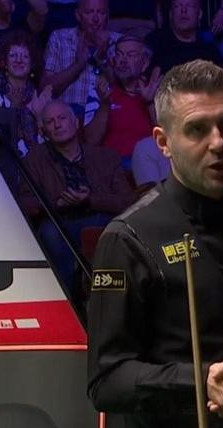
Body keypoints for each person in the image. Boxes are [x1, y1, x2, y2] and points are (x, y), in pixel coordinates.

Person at [87, 60, 223, 428]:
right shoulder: (127, 237)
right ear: (163, 142)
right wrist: (201, 381)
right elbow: (107, 380)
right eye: (197, 129)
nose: (218, 143)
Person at [18, 100, 135, 305]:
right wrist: (56, 203)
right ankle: (66, 303)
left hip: (99, 217)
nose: (57, 124)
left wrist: (91, 199)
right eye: (50, 121)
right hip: (58, 221)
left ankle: (114, 303)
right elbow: (24, 202)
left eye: (62, 118)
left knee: (115, 231)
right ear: (44, 131)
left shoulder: (105, 157)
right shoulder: (35, 158)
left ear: (76, 122)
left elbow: (127, 201)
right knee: (50, 233)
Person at [83, 35, 159, 167]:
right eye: (119, 54)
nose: (123, 60)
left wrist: (149, 103)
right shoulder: (100, 90)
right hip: (113, 166)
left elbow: (169, 139)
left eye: (131, 55)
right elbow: (90, 141)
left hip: (149, 165)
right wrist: (105, 105)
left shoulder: (155, 90)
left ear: (144, 63)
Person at [0, 30, 51, 155]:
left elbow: (50, 147)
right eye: (13, 55)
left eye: (25, 56)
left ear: (32, 64)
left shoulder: (41, 98)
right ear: (4, 62)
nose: (18, 60)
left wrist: (39, 118)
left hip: (37, 163)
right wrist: (15, 109)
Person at [42, 0, 121, 112]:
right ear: (78, 15)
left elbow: (128, 88)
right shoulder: (59, 38)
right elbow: (45, 87)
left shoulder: (119, 42)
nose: (96, 19)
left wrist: (103, 61)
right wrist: (77, 65)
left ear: (107, 16)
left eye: (101, 13)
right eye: (89, 12)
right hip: (67, 115)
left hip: (106, 115)